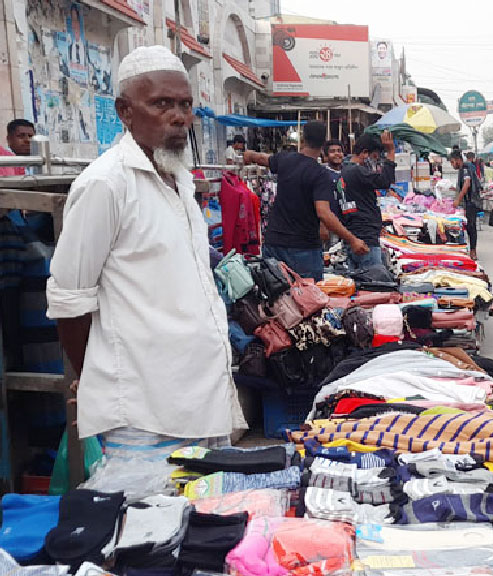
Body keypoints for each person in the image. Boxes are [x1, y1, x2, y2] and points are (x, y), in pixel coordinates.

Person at [45, 45, 245, 455]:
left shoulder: (180, 180)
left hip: (202, 399)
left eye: (185, 105)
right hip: (143, 416)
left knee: (208, 515)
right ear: (125, 111)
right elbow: (69, 300)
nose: (178, 117)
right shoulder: (107, 184)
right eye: (161, 104)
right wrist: (96, 378)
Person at [243, 122, 367, 281]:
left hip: (275, 243)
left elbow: (261, 158)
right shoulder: (321, 174)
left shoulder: (285, 160)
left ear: (303, 138)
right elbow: (324, 213)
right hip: (304, 249)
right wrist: (353, 240)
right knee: (309, 301)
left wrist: (248, 154)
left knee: (275, 299)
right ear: (323, 145)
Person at [339, 131, 397, 269]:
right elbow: (385, 181)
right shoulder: (357, 171)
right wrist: (391, 152)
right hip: (365, 238)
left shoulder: (345, 171)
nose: (375, 163)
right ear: (365, 153)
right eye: (374, 157)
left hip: (355, 234)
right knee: (374, 283)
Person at [451, 151, 481, 260]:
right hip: (468, 202)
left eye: (452, 162)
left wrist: (458, 199)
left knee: (471, 227)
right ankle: (471, 249)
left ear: (458, 160)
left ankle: (473, 251)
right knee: (468, 226)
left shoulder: (464, 169)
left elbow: (467, 184)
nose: (452, 165)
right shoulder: (463, 169)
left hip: (471, 202)